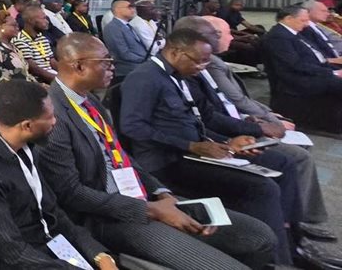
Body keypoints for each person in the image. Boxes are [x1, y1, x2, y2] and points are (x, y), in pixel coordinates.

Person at [38, 33, 277, 270]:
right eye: (106, 61)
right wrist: (151, 210)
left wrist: (161, 192)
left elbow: (121, 155)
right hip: (108, 216)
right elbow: (71, 193)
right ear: (79, 66)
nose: (113, 67)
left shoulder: (89, 100)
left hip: (141, 196)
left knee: (260, 237)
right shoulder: (53, 115)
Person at [118, 28, 303, 265]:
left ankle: (292, 240)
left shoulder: (179, 76)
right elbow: (133, 127)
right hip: (168, 162)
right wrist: (192, 146)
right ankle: (276, 261)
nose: (202, 67)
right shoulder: (145, 78)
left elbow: (200, 119)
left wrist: (227, 142)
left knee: (280, 162)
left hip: (194, 152)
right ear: (176, 52)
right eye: (199, 61)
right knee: (262, 187)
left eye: (206, 62)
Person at [175, 17, 340, 255]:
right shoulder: (192, 70)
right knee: (291, 160)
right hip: (218, 138)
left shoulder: (209, 64)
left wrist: (262, 118)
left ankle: (295, 228)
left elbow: (225, 105)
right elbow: (207, 117)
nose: (230, 36)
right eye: (220, 34)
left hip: (234, 126)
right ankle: (290, 236)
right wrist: (249, 131)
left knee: (293, 156)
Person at [0, 79, 119, 269]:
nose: (55, 122)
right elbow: (13, 253)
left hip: (47, 246)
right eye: (50, 117)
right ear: (27, 126)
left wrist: (99, 255)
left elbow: (54, 214)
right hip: (14, 263)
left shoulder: (26, 147)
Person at [202, 16, 289, 127]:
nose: (231, 38)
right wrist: (271, 119)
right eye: (227, 33)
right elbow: (236, 99)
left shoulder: (213, 61)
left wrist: (267, 112)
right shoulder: (212, 64)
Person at [260, 4, 342, 97]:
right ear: (288, 19)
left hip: (313, 71)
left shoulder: (292, 32)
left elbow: (313, 57)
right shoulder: (278, 37)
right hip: (298, 81)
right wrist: (332, 72)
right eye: (303, 20)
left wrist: (334, 70)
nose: (307, 24)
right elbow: (295, 65)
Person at [0, 11, 36, 90]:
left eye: (17, 25)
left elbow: (26, 74)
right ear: (1, 27)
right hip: (12, 92)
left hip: (26, 88)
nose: (17, 28)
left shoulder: (14, 47)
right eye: (13, 25)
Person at [102, 0, 150, 79]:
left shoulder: (127, 25)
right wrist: (145, 59)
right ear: (118, 10)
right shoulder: (112, 28)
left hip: (140, 64)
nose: (133, 10)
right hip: (129, 68)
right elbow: (124, 53)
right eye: (129, 7)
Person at [12, 6, 57, 83]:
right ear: (31, 21)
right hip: (39, 80)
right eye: (43, 18)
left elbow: (52, 61)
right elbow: (33, 69)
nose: (47, 22)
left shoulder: (42, 38)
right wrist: (58, 80)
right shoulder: (20, 40)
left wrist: (66, 73)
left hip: (52, 75)